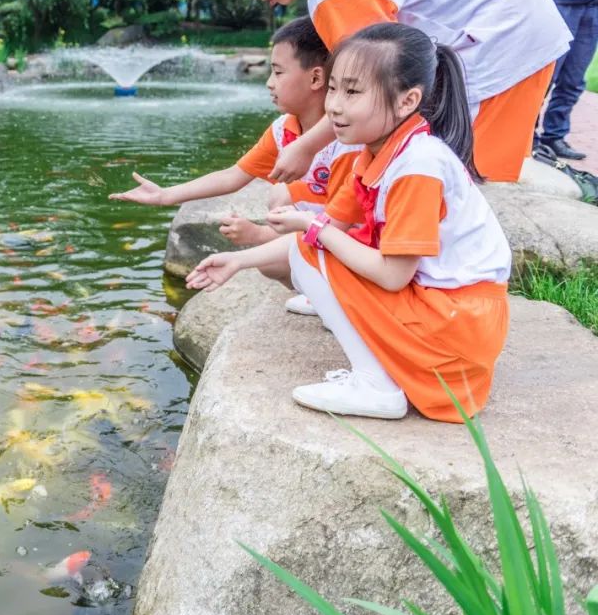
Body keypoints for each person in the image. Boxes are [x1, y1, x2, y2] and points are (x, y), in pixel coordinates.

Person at [187, 23, 512, 423]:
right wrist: (239, 261)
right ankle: (375, 364)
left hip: (455, 330)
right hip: (449, 317)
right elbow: (329, 227)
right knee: (321, 240)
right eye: (334, 88)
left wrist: (313, 228)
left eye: (353, 92)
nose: (334, 106)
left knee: (316, 242)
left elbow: (391, 275)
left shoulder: (418, 167)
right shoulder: (380, 153)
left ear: (408, 100)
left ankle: (377, 387)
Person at [213, 0, 572, 183]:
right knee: (442, 148)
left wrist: (305, 147)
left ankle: (463, 265)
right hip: (515, 23)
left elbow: (371, 87)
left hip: (508, 33)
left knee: (466, 167)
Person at [109, 18, 360, 314]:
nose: (269, 82)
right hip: (317, 235)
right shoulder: (285, 129)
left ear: (316, 79)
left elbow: (342, 223)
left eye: (278, 72)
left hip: (353, 244)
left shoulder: (346, 141)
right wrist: (166, 195)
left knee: (278, 212)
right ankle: (319, 289)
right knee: (277, 223)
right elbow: (234, 175)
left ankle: (335, 293)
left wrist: (260, 236)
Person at [533, 0, 598, 161]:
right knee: (546, 73)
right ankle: (528, 135)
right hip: (561, 1)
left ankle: (554, 136)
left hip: (593, 4)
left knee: (574, 79)